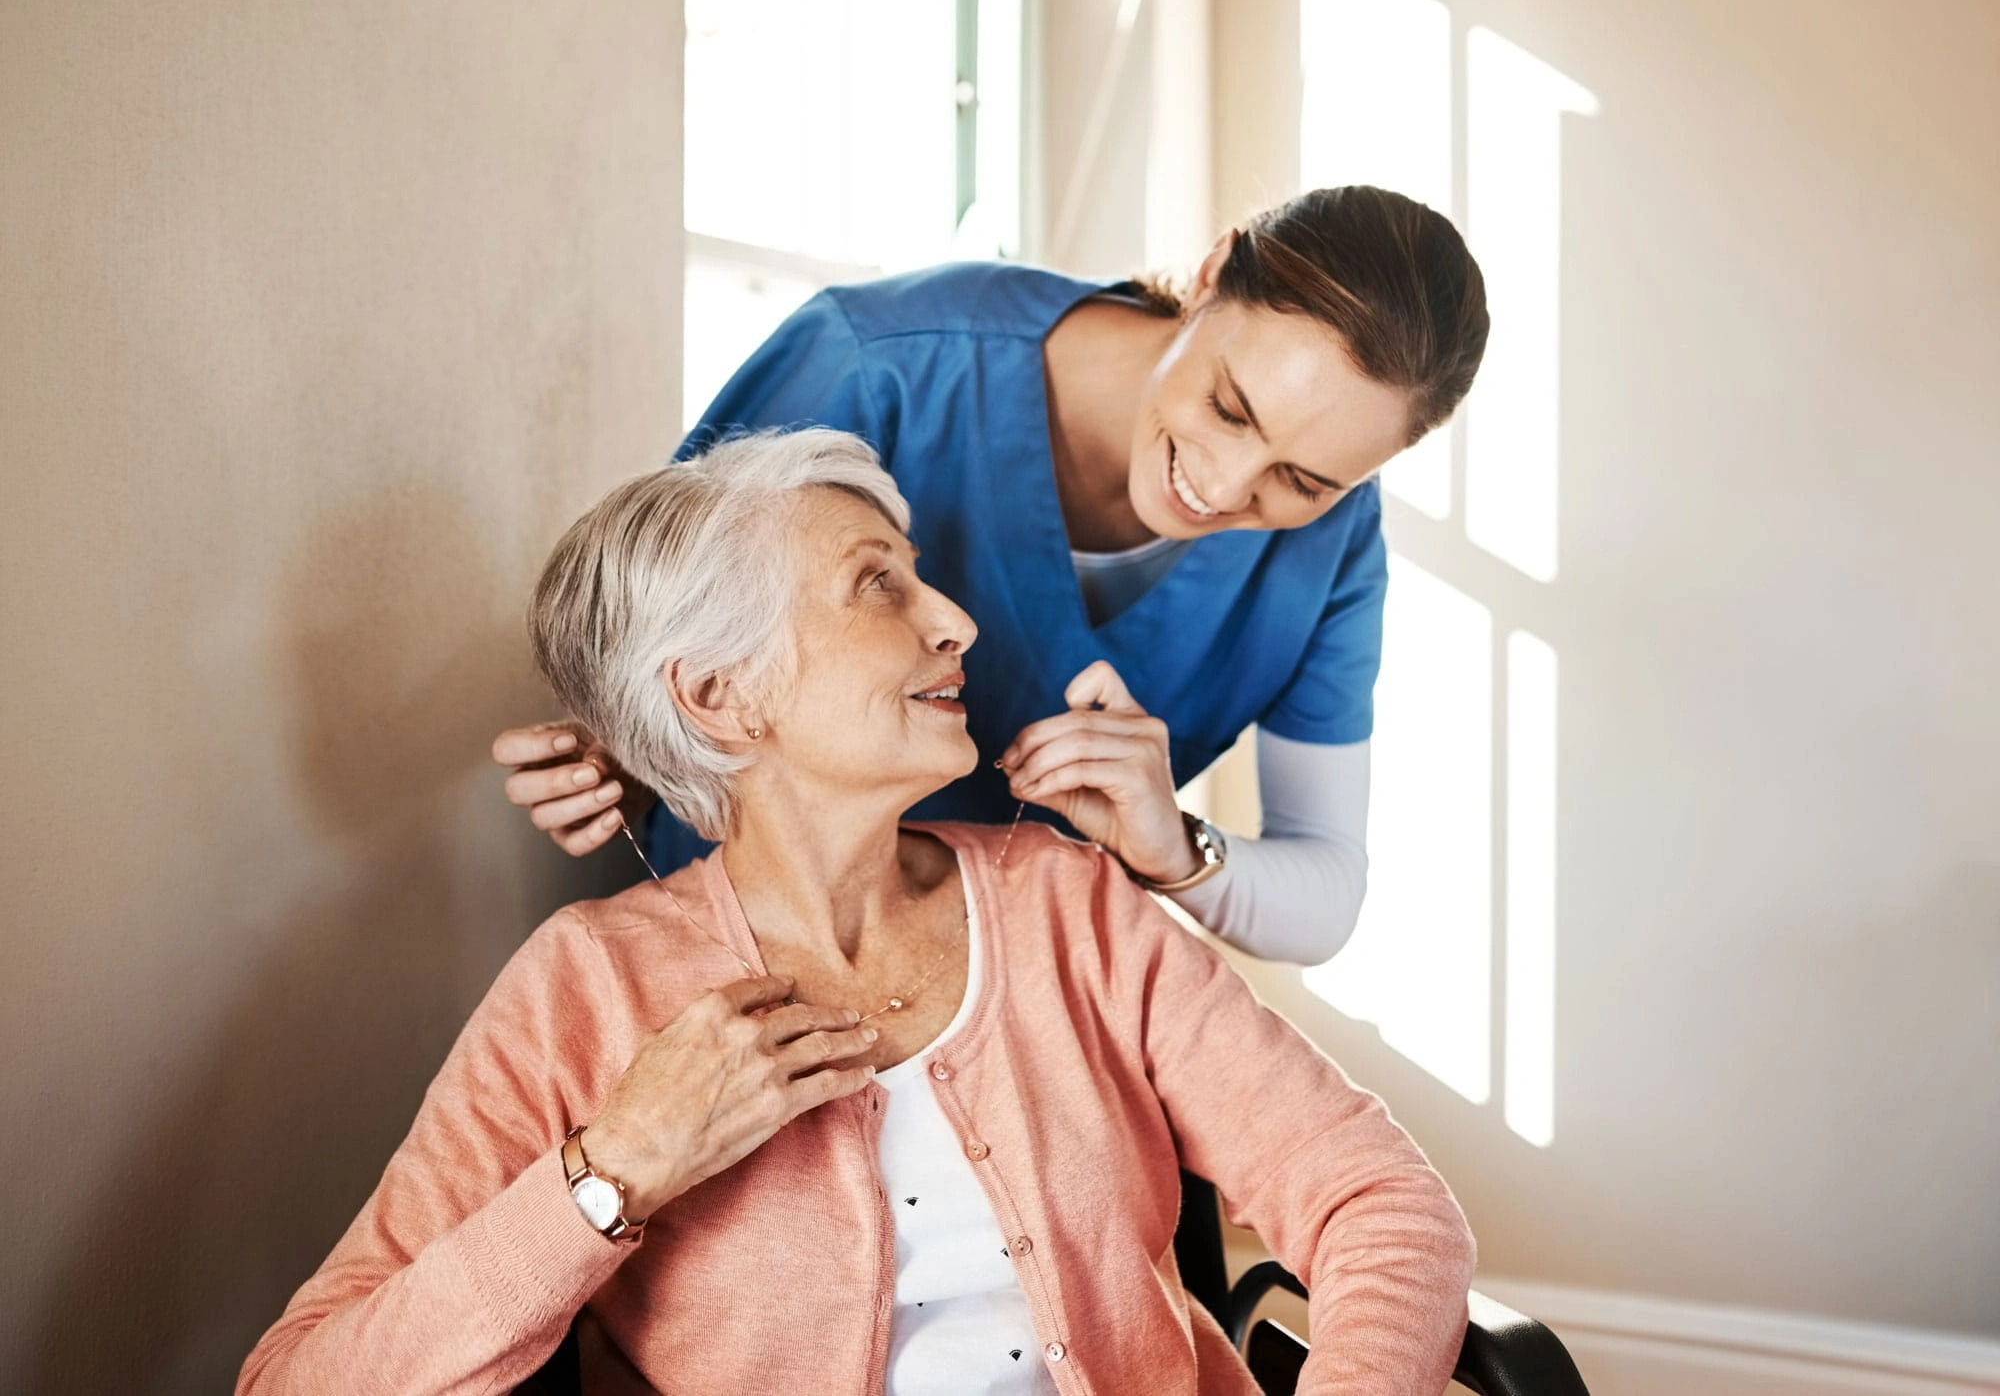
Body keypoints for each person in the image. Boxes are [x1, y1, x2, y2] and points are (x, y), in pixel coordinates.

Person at [242, 430, 1475, 1395]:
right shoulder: (585, 988)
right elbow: (301, 1381)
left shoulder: (1070, 907)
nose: (955, 623)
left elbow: (1380, 1204)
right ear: (720, 694)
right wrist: (612, 1171)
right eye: (876, 585)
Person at [493, 186, 1489, 966]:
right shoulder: (876, 367)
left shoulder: (1331, 547)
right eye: (1231, 408)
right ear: (1214, 269)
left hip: (1025, 1013)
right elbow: (661, 638)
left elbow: (1323, 889)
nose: (1225, 488)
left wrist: (1170, 846)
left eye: (1300, 480)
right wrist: (646, 751)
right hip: (754, 966)